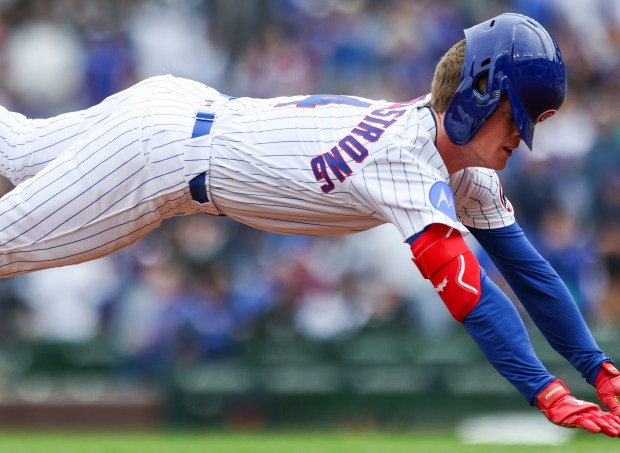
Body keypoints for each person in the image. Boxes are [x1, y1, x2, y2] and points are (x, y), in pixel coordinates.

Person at [1, 12, 620, 436]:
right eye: (518, 115)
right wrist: (545, 389)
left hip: (173, 113)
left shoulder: (460, 167)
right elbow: (474, 296)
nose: (525, 136)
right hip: (157, 163)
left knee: (15, 144)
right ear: (480, 94)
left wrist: (597, 368)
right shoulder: (409, 161)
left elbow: (528, 271)